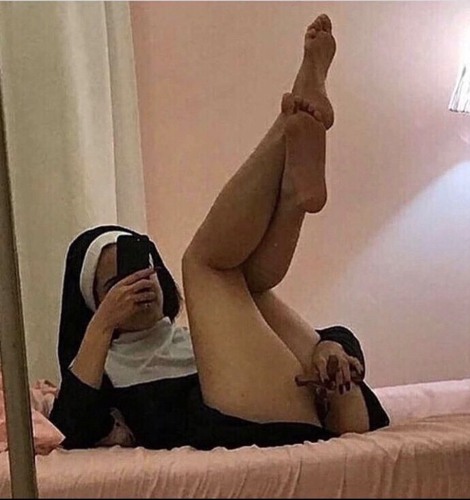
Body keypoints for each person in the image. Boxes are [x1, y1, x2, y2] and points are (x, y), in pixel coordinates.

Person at [50, 14, 389, 450]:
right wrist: (100, 328)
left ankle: (294, 191)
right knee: (204, 264)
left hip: (342, 413)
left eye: (142, 269)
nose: (138, 284)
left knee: (247, 282)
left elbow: (320, 337)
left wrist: (332, 350)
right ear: (95, 302)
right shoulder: (106, 371)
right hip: (260, 426)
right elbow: (69, 430)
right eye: (116, 282)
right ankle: (290, 144)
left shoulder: (198, 337)